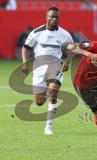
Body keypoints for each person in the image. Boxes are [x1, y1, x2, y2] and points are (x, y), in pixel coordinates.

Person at [21, 7, 74, 135]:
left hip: (56, 66)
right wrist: (24, 63)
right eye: (52, 17)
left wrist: (67, 62)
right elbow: (26, 48)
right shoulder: (36, 32)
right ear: (47, 17)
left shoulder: (64, 34)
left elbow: (72, 49)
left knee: (53, 90)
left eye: (57, 17)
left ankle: (49, 126)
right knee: (39, 102)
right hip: (39, 67)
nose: (54, 19)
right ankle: (46, 91)